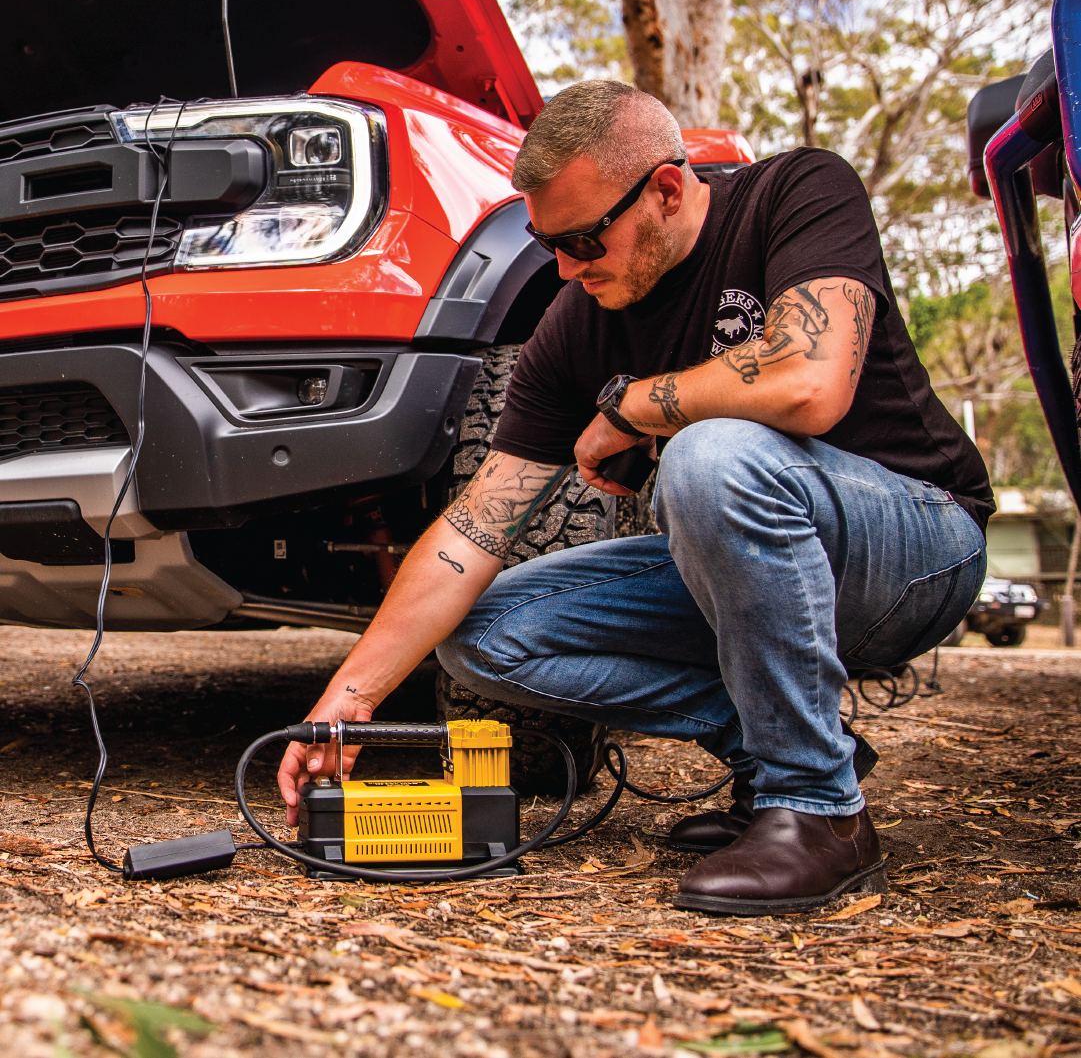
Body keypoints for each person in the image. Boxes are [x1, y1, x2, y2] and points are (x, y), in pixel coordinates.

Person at [278, 80, 992, 915]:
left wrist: (631, 406)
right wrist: (349, 697)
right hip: (743, 575)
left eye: (585, 239)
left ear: (663, 187)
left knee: (709, 456)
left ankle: (819, 811)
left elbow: (811, 381)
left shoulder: (794, 191)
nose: (567, 269)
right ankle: (778, 749)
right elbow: (471, 531)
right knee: (479, 636)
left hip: (915, 548)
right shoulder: (574, 323)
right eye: (549, 244)